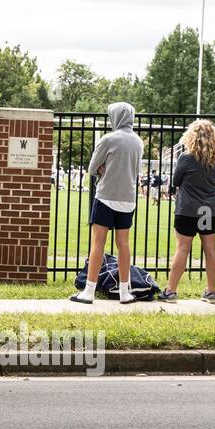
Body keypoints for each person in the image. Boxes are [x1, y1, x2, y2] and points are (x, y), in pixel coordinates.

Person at [72, 102, 142, 305]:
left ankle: (89, 291)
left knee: (98, 243)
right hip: (128, 198)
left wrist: (105, 168)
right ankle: (124, 292)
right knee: (124, 244)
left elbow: (93, 167)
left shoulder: (109, 139)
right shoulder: (138, 141)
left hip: (106, 196)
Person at [162, 120, 215, 302]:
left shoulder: (186, 158)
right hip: (210, 208)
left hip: (188, 209)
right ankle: (211, 291)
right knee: (210, 249)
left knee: (182, 249)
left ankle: (171, 290)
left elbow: (176, 181)